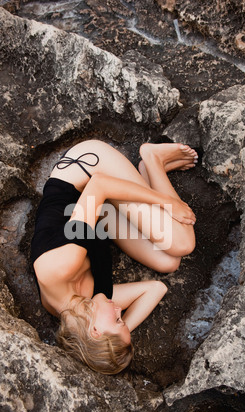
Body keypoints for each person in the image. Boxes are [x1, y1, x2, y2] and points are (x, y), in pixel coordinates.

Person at [31, 139, 197, 374]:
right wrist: (122, 330)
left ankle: (153, 158)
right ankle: (146, 175)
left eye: (117, 320)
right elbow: (155, 289)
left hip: (88, 172)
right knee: (168, 261)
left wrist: (168, 204)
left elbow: (98, 186)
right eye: (122, 318)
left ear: (95, 331)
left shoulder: (61, 266)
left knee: (182, 243)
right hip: (101, 214)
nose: (120, 310)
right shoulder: (83, 308)